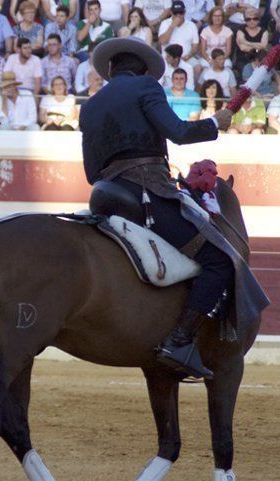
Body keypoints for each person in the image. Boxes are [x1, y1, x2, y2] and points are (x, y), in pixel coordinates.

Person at [79, 37, 245, 380]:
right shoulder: (146, 88)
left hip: (104, 195)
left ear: (110, 70)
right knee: (219, 260)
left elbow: (90, 171)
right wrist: (215, 124)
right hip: (145, 191)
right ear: (143, 71)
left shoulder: (91, 104)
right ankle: (179, 341)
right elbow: (179, 132)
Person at [158, 1, 199, 68]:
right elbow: (162, 42)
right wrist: (172, 26)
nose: (178, 15)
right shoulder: (165, 23)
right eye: (175, 13)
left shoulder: (192, 25)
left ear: (184, 12)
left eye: (180, 13)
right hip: (168, 59)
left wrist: (188, 56)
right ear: (171, 12)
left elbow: (195, 46)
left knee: (198, 67)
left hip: (186, 58)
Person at [233, 8, 268, 73]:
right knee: (248, 70)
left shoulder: (264, 31)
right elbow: (243, 48)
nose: (252, 21)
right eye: (248, 19)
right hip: (243, 59)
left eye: (255, 19)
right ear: (245, 20)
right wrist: (258, 48)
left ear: (259, 20)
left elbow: (263, 46)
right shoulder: (240, 30)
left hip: (259, 59)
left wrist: (246, 42)